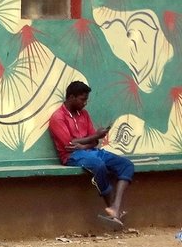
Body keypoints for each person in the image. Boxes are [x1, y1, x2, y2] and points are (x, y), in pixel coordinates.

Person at [48, 80, 134, 229]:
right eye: (82, 99)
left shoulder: (84, 114)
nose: (85, 103)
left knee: (126, 165)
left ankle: (116, 207)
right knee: (98, 164)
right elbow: (70, 145)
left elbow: (94, 143)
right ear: (71, 97)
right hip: (72, 157)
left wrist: (85, 143)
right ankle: (112, 209)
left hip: (91, 151)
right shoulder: (58, 117)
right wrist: (94, 137)